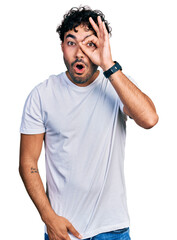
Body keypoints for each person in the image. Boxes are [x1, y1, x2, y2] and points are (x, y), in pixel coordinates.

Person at [19, 6, 158, 240]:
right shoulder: (42, 95)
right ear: (62, 47)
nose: (80, 53)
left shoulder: (116, 85)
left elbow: (149, 119)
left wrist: (108, 64)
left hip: (112, 230)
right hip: (62, 230)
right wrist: (48, 217)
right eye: (71, 42)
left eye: (89, 43)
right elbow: (27, 161)